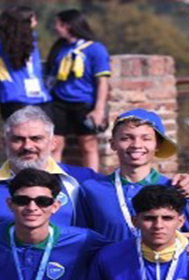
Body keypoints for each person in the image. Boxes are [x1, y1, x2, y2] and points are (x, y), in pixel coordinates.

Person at [77, 109, 189, 251]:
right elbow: (79, 241)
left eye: (146, 138)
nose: (136, 145)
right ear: (113, 143)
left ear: (157, 145)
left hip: (164, 273)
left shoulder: (177, 188)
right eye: (126, 138)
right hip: (109, 272)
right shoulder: (91, 190)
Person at [0, 106, 99, 229]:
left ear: (53, 143)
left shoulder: (84, 180)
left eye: (36, 138)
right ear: (4, 143)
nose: (28, 146)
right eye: (18, 139)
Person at [46, 9, 110, 171]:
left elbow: (102, 80)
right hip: (59, 102)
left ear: (67, 25)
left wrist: (99, 109)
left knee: (88, 145)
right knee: (55, 145)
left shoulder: (95, 49)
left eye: (57, 24)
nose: (54, 28)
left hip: (84, 103)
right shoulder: (60, 47)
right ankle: (55, 179)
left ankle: (91, 179)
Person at [0, 6, 51, 121]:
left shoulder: (31, 39)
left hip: (41, 99)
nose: (36, 23)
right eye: (33, 20)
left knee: (46, 137)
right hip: (16, 100)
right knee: (22, 137)